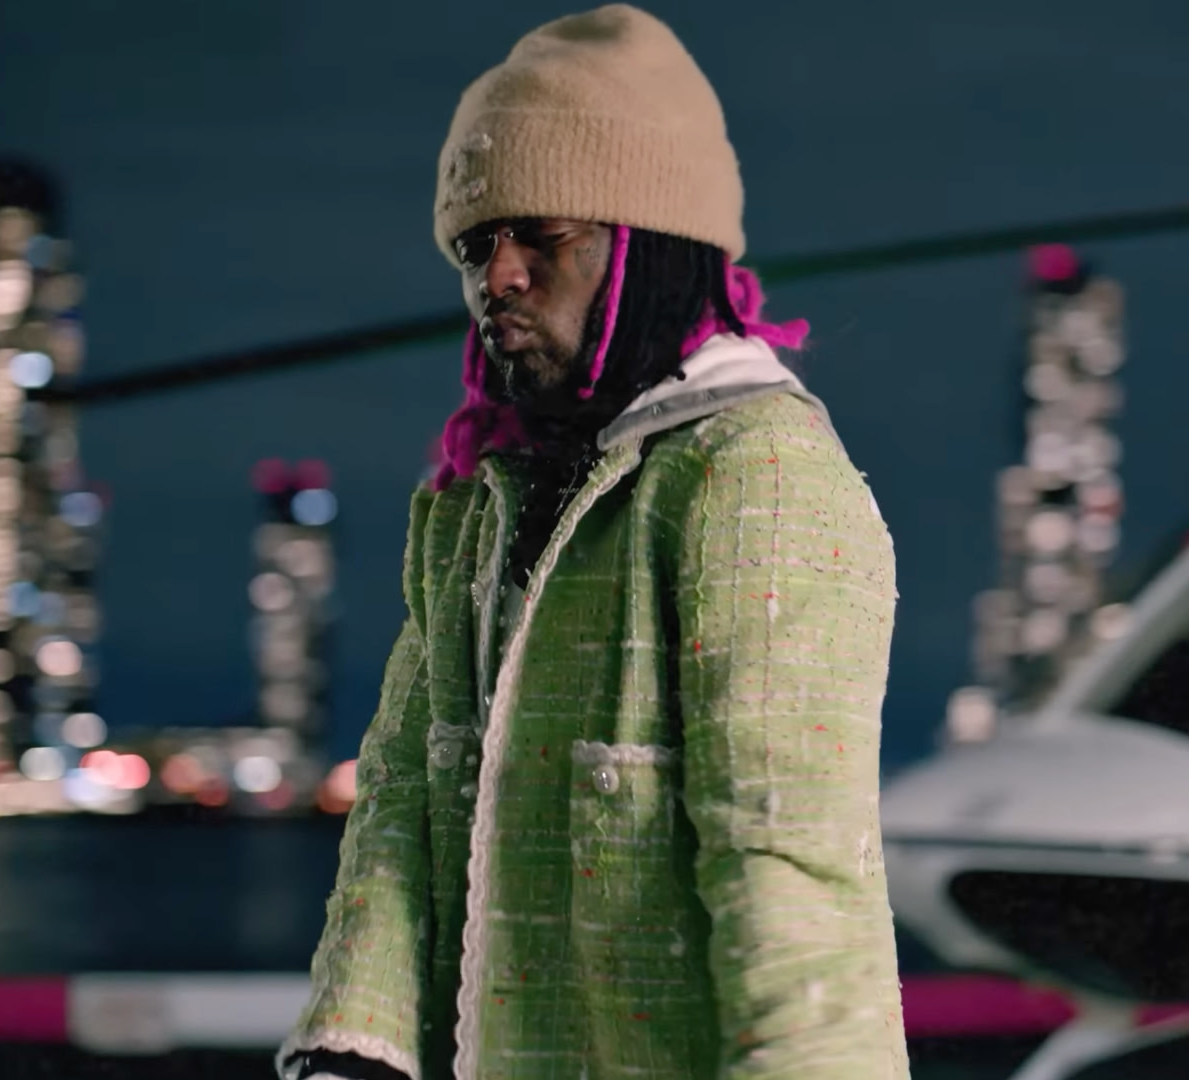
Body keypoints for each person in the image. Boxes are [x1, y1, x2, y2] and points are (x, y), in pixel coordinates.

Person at [279, 6, 907, 1078]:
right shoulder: (476, 504)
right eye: (477, 244)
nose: (499, 276)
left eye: (544, 236)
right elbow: (399, 804)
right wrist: (353, 1054)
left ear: (647, 245)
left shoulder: (755, 473)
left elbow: (790, 869)